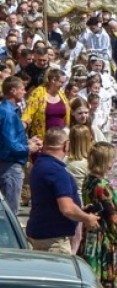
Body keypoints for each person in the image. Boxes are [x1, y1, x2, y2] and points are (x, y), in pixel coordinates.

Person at [25, 127, 100, 254]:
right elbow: (67, 208)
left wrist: (80, 210)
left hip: (39, 232)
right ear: (66, 145)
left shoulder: (39, 165)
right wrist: (87, 218)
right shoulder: (57, 172)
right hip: (54, 241)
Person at [79, 142, 117, 288]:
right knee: (106, 277)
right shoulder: (101, 186)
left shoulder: (88, 180)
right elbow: (111, 215)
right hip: (103, 238)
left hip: (89, 234)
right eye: (111, 159)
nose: (113, 162)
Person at [0, 76, 42, 216]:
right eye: (22, 89)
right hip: (10, 165)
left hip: (9, 163)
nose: (24, 92)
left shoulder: (9, 111)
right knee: (10, 213)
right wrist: (28, 148)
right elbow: (10, 143)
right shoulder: (8, 113)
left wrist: (27, 142)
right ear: (13, 91)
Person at [66, 124, 94, 253]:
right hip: (81, 201)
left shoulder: (65, 160)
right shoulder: (88, 164)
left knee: (69, 235)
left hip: (66, 199)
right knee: (78, 237)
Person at [23, 68, 69, 141]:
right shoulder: (38, 93)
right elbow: (28, 112)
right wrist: (23, 124)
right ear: (53, 80)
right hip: (42, 138)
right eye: (61, 82)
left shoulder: (61, 93)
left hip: (60, 137)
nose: (63, 85)